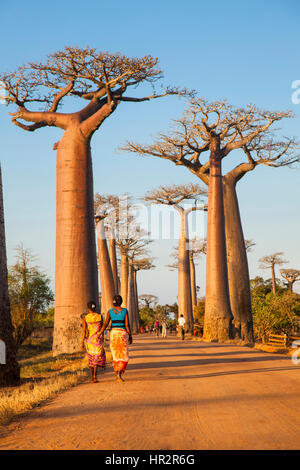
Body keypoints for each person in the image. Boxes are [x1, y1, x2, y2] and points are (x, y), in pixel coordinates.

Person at [98, 294, 132, 383]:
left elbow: (105, 324)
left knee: (116, 354)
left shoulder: (110, 311)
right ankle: (119, 374)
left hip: (114, 334)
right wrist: (130, 335)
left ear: (113, 302)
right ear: (121, 302)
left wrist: (100, 333)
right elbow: (127, 325)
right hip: (122, 334)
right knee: (123, 354)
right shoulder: (125, 311)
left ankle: (117, 373)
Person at [81, 301, 106, 383]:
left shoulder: (86, 318)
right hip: (98, 339)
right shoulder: (99, 317)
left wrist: (82, 342)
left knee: (91, 359)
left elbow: (84, 331)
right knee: (96, 358)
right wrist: (101, 337)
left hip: (90, 340)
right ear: (95, 308)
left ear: (88, 308)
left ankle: (92, 377)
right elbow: (102, 328)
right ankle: (95, 376)